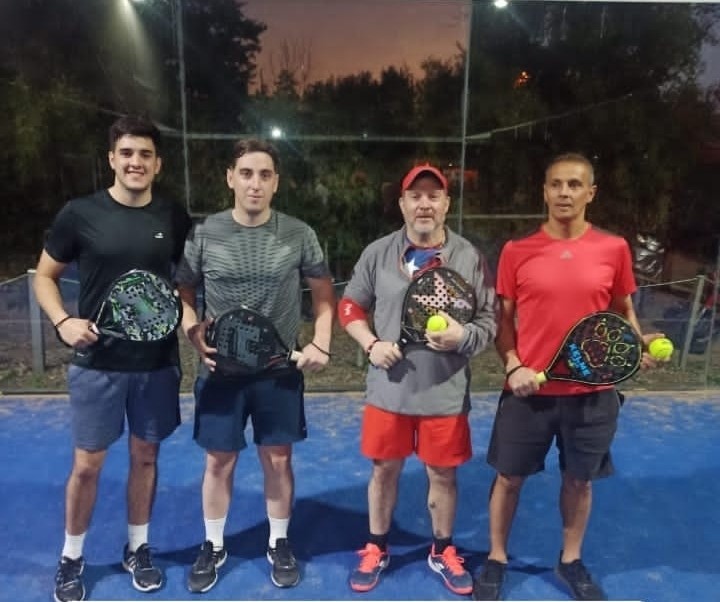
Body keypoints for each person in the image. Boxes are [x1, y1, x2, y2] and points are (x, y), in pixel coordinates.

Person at [471, 152, 664, 602]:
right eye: (556, 184)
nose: (564, 192)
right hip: (527, 393)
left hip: (593, 394)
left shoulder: (613, 248)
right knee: (508, 478)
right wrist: (513, 364)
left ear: (590, 193)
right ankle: (497, 558)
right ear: (544, 191)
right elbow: (503, 321)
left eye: (574, 185)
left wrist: (635, 345)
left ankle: (570, 559)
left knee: (579, 480)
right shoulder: (516, 252)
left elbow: (624, 311)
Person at [33, 115, 192, 602]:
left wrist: (190, 323)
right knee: (87, 465)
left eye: (145, 154)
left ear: (158, 164)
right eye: (126, 153)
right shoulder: (79, 214)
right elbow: (43, 276)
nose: (135, 162)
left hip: (156, 364)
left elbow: (181, 283)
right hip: (96, 363)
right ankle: (72, 557)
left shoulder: (173, 216)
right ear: (111, 159)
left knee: (146, 457)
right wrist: (64, 322)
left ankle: (137, 549)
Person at [175, 138, 335, 593]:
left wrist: (321, 342)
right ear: (230, 178)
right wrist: (191, 329)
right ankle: (213, 545)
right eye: (246, 173)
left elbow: (323, 294)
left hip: (279, 372)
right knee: (219, 462)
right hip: (221, 372)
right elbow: (184, 291)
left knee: (278, 460)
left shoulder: (299, 233)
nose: (255, 183)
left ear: (276, 182)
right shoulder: (205, 233)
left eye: (265, 175)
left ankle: (279, 542)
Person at [337, 164, 497, 595]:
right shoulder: (377, 253)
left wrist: (464, 336)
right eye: (416, 196)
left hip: (444, 394)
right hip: (389, 391)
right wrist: (370, 344)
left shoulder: (468, 257)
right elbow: (349, 307)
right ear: (403, 203)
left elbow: (488, 321)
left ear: (446, 205)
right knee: (384, 470)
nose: (424, 204)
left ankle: (442, 550)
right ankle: (377, 547)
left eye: (433, 196)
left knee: (443, 476)